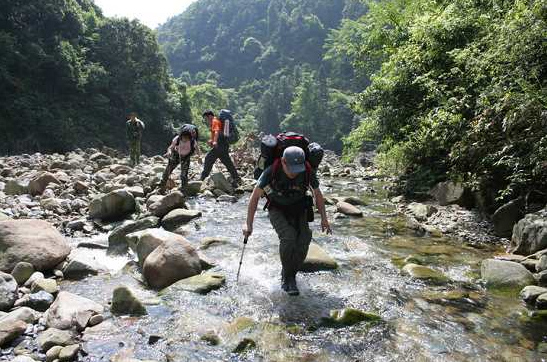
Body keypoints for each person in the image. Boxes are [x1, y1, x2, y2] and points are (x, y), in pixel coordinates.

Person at [243, 146, 332, 296]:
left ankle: (290, 274)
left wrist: (324, 219)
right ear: (283, 161)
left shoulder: (307, 171)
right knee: (289, 236)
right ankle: (287, 278)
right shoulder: (271, 172)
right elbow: (255, 197)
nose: (294, 172)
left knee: (304, 237)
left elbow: (318, 194)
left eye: (298, 168)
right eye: (291, 168)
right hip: (277, 208)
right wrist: (248, 224)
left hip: (299, 207)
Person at [200, 110, 241, 188]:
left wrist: (214, 142)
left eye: (206, 119)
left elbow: (217, 132)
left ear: (210, 116)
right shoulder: (217, 121)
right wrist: (212, 141)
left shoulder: (214, 121)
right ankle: (236, 178)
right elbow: (218, 134)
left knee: (208, 158)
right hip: (223, 145)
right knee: (227, 162)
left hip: (220, 146)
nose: (206, 121)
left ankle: (203, 179)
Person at [158, 125, 202, 195]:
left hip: (186, 157)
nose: (184, 140)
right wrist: (169, 152)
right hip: (176, 155)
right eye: (183, 138)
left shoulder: (192, 141)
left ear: (189, 138)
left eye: (186, 138)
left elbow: (197, 148)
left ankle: (184, 190)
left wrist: (199, 157)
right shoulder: (177, 139)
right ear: (181, 136)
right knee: (168, 171)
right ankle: (161, 186)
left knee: (184, 174)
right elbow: (170, 147)